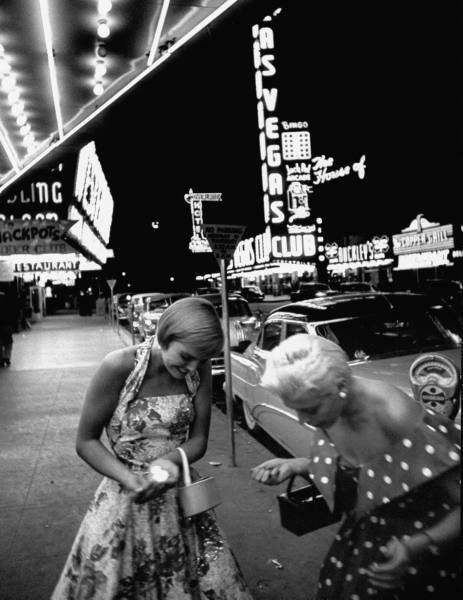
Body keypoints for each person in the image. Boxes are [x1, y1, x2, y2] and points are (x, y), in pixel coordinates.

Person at [51, 296, 253, 599]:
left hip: (182, 497)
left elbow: (199, 440)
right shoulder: (120, 366)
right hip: (125, 497)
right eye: (186, 357)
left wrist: (171, 460)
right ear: (165, 335)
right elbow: (86, 441)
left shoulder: (200, 369)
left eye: (201, 360)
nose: (192, 367)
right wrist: (129, 478)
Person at [251, 334, 461, 599]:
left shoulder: (396, 416)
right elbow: (369, 474)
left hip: (419, 564)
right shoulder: (331, 405)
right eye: (296, 409)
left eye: (310, 409)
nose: (303, 420)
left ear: (340, 386)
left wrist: (417, 546)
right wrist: (299, 465)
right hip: (364, 547)